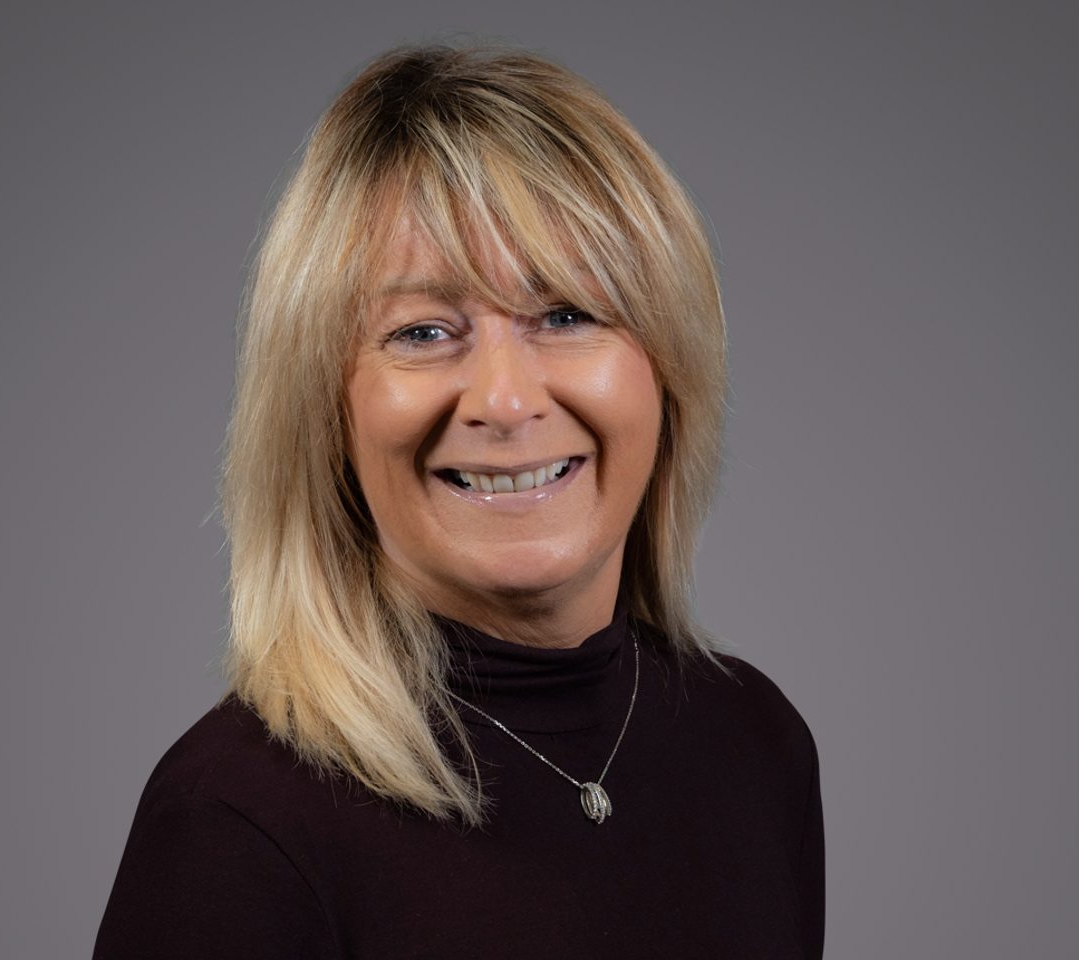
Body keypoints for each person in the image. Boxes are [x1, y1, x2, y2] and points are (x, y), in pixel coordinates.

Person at [94, 44, 823, 959]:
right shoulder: (238, 823)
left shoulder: (755, 749)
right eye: (425, 331)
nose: (506, 401)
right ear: (326, 409)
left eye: (565, 314)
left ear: (668, 368)